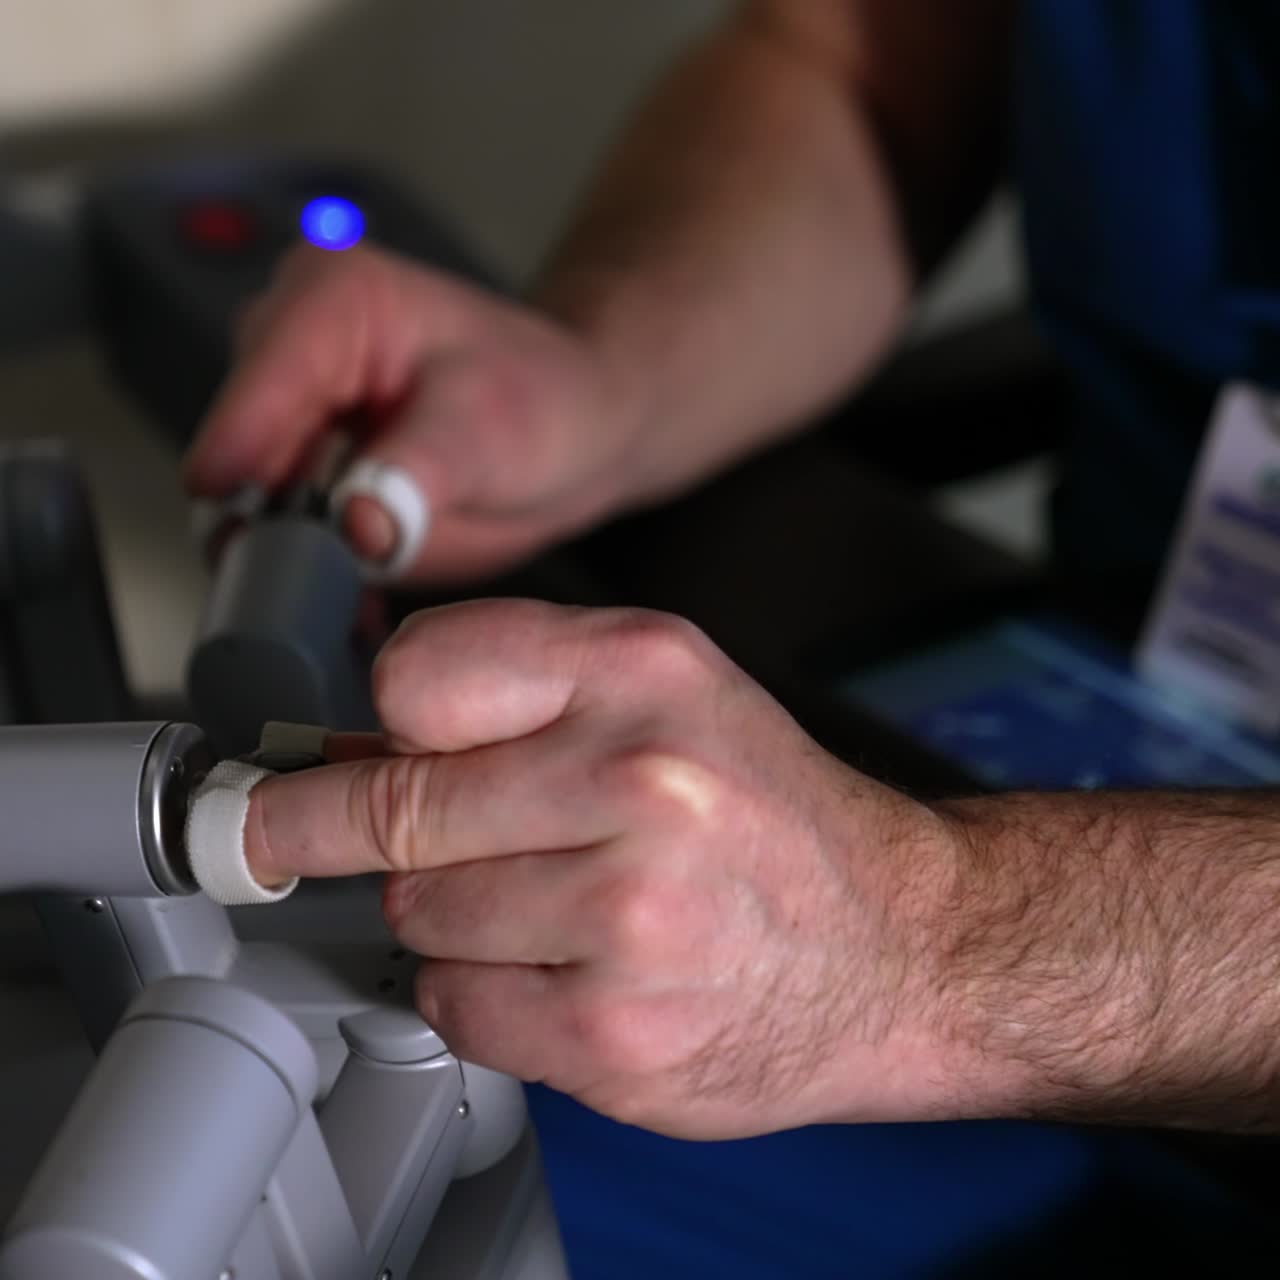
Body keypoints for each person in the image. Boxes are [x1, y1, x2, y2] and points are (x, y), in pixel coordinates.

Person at [185, 1, 1280, 1272]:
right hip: (1084, 749)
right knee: (294, 1162)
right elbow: (861, 74)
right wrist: (602, 373)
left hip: (1072, 982)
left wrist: (934, 943)